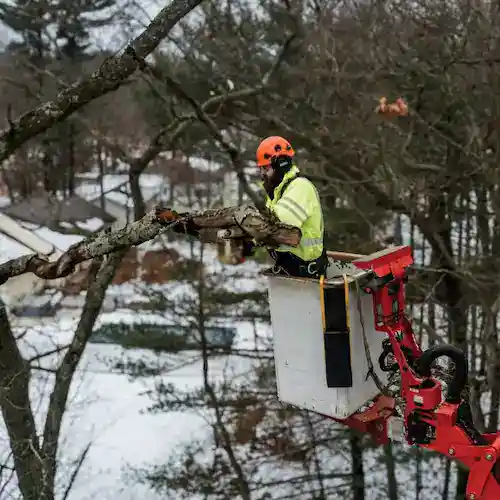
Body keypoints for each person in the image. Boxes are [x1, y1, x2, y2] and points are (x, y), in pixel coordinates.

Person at [242, 135, 329, 278]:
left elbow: (279, 224)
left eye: (265, 167)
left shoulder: (300, 187)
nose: (262, 173)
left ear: (280, 163)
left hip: (307, 275)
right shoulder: (279, 193)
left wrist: (250, 234)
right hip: (291, 272)